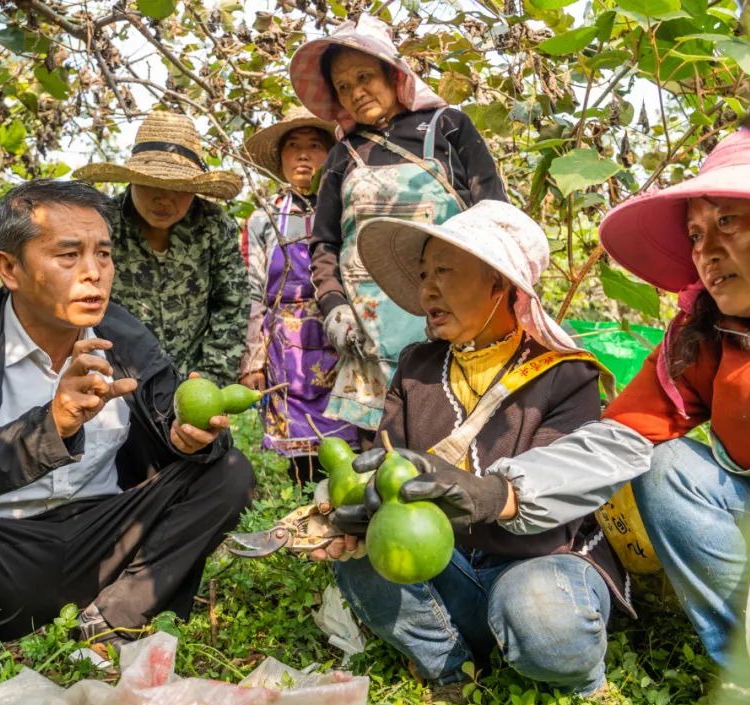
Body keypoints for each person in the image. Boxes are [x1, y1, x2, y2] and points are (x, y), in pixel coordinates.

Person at [355, 129, 750, 705]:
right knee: (665, 464)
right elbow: (619, 440)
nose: (705, 250)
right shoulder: (703, 337)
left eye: (728, 222)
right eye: (696, 233)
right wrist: (497, 492)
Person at [0, 180, 255, 693]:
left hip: (103, 543)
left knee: (227, 471)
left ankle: (109, 626)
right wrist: (50, 426)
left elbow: (174, 424)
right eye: (69, 254)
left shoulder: (122, 335)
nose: (93, 272)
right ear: (9, 268)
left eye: (103, 253)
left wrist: (187, 438)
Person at [326, 201, 626, 705]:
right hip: (450, 564)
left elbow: (557, 519)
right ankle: (451, 667)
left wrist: (479, 496)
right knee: (359, 557)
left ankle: (574, 674)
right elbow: (389, 464)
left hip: (540, 565)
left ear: (499, 286)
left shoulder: (567, 376)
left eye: (444, 271)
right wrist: (367, 509)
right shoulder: (418, 367)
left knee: (539, 615)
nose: (427, 291)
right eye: (423, 275)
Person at [289, 15, 508, 439]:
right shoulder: (342, 156)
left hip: (456, 322)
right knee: (383, 458)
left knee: (461, 441)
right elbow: (325, 244)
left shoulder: (448, 128)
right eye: (343, 87)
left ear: (394, 75)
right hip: (370, 336)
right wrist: (335, 307)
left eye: (364, 76)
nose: (356, 92)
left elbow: (494, 213)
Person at [75, 109, 249, 384]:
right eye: (152, 184)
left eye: (178, 188)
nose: (164, 200)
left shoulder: (214, 226)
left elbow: (232, 306)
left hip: (193, 383)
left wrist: (208, 380)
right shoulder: (102, 224)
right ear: (133, 178)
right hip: (114, 384)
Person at [240, 107, 357, 486]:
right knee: (301, 460)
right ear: (280, 159)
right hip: (285, 352)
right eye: (293, 147)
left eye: (314, 145)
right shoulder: (263, 219)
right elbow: (253, 292)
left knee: (349, 451)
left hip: (340, 341)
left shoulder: (346, 211)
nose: (303, 155)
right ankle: (305, 525)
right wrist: (253, 361)